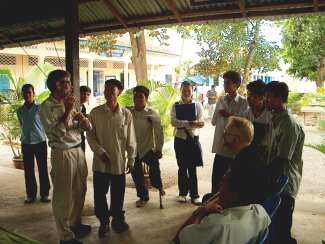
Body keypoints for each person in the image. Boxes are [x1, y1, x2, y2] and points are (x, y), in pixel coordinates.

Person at [40, 70, 91, 244]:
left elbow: (77, 127)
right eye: (65, 82)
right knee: (63, 196)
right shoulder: (47, 107)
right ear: (56, 85)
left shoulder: (70, 102)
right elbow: (57, 133)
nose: (69, 85)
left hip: (78, 150)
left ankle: (75, 225)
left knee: (80, 190)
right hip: (62, 153)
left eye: (69, 81)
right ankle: (65, 236)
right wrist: (68, 110)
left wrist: (84, 123)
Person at [87, 79, 136, 238]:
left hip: (118, 162)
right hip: (100, 163)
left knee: (118, 193)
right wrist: (99, 151)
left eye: (111, 89)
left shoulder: (126, 114)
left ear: (119, 92)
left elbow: (131, 139)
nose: (108, 92)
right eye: (106, 89)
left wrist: (131, 159)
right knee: (100, 194)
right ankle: (103, 222)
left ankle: (117, 220)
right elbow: (90, 136)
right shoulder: (95, 113)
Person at [174, 164, 271, 244]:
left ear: (234, 194)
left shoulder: (217, 225)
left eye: (223, 181)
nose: (219, 185)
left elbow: (179, 239)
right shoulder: (261, 212)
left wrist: (203, 211)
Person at [265, 81, 305, 244]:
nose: (266, 100)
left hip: (284, 183)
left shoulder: (288, 123)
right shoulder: (275, 120)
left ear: (279, 98)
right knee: (274, 226)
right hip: (276, 181)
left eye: (269, 97)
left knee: (282, 229)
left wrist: (265, 178)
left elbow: (282, 159)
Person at [211, 70, 248, 194]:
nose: (225, 85)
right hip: (221, 147)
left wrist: (229, 115)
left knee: (232, 182)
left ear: (236, 85)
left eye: (228, 82)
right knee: (216, 180)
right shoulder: (221, 100)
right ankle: (211, 205)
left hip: (234, 150)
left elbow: (245, 124)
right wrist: (220, 114)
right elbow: (214, 121)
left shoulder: (244, 102)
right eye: (224, 82)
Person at [128, 85, 165, 208]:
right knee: (136, 174)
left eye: (141, 97)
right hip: (133, 150)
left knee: (155, 167)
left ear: (146, 98)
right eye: (135, 96)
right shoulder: (128, 112)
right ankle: (143, 196)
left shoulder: (152, 113)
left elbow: (159, 132)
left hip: (147, 148)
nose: (137, 99)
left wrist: (159, 149)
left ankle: (159, 186)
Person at [171, 81, 204, 205]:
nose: (186, 93)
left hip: (193, 140)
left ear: (192, 91)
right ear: (180, 91)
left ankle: (194, 195)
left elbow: (201, 123)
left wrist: (185, 123)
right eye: (184, 90)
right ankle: (182, 193)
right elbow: (173, 121)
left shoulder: (198, 105)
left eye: (188, 91)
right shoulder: (175, 105)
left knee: (192, 168)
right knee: (182, 167)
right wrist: (190, 123)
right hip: (180, 139)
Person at [17, 84, 50, 204]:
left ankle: (45, 194)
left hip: (40, 142)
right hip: (26, 143)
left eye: (29, 92)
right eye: (25, 93)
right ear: (22, 95)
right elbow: (22, 125)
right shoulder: (20, 110)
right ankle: (30, 194)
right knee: (28, 170)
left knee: (43, 169)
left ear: (33, 93)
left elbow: (45, 124)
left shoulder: (40, 108)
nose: (27, 95)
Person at [244, 79, 272, 164]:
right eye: (248, 94)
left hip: (264, 157)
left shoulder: (270, 115)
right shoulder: (247, 113)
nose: (248, 98)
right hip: (248, 154)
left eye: (252, 95)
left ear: (261, 97)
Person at [79, 85, 91, 152]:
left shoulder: (83, 107)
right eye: (83, 94)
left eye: (88, 95)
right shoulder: (72, 105)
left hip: (81, 136)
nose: (86, 96)